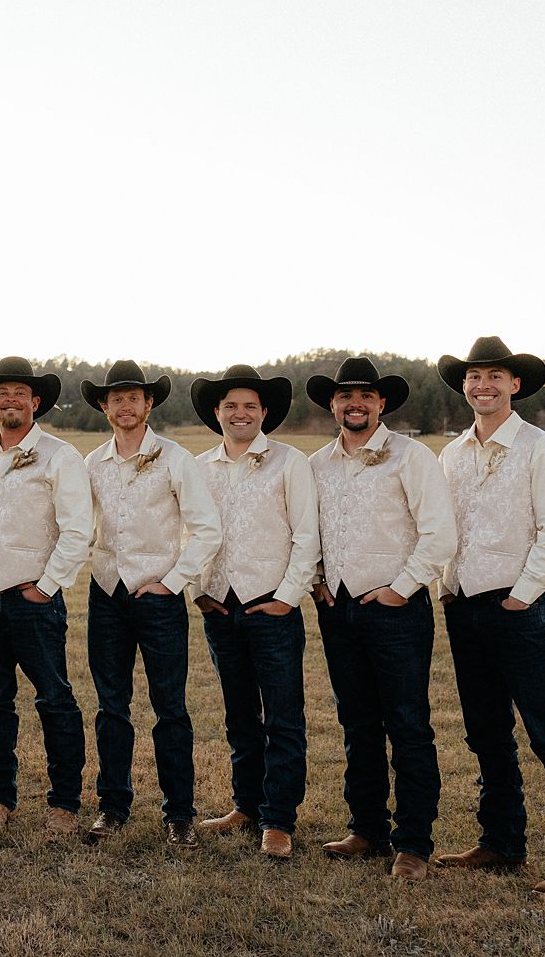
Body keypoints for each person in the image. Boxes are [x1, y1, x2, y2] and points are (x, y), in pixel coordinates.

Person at [432, 337, 545, 896]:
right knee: (487, 735)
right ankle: (501, 843)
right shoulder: (452, 454)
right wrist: (447, 586)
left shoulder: (540, 448)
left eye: (494, 377)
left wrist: (521, 595)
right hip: (465, 610)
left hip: (520, 611)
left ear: (515, 385)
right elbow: (443, 530)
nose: (483, 386)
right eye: (474, 377)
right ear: (464, 386)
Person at [307, 356, 456, 881]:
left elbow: (439, 533)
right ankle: (366, 827)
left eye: (366, 395)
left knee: (408, 725)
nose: (355, 403)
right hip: (337, 609)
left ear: (382, 403)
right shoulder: (317, 464)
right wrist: (317, 579)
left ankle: (413, 843)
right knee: (358, 723)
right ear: (332, 403)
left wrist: (401, 588)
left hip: (396, 611)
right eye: (346, 395)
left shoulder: (411, 457)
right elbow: (309, 533)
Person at [79, 360, 221, 848]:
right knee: (111, 707)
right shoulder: (92, 463)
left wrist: (173, 581)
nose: (124, 405)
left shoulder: (176, 458)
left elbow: (207, 530)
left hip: (159, 599)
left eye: (133, 397)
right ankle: (112, 808)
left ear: (149, 403)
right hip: (106, 595)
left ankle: (179, 814)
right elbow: (77, 527)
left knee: (170, 708)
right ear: (104, 405)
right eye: (115, 398)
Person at [188, 365, 318, 860]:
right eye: (230, 406)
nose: (239, 413)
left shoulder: (290, 463)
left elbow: (307, 535)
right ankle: (246, 804)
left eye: (249, 406)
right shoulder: (200, 468)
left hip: (273, 607)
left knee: (283, 716)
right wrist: (199, 590)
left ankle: (279, 819)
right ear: (217, 414)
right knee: (239, 713)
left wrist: (287, 596)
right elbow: (192, 533)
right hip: (220, 607)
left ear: (264, 413)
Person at [0, 357, 90, 839]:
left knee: (55, 699)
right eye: (2, 393)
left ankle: (64, 803)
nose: (10, 399)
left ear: (36, 402)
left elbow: (79, 531)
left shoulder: (60, 455)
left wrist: (46, 585)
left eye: (20, 392)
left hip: (32, 600)